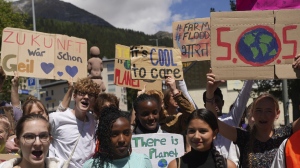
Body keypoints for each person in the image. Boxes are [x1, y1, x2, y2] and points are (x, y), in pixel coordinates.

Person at [205, 68, 300, 168]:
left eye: (268, 111)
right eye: (258, 110)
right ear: (252, 113)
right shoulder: (244, 137)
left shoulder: (284, 134)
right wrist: (210, 92)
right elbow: (213, 122)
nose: (263, 115)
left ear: (277, 114)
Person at [49, 77, 101, 168]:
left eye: (90, 95)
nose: (86, 97)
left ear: (94, 100)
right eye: (82, 93)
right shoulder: (56, 118)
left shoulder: (94, 121)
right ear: (74, 96)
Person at [83, 106, 152, 168]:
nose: (122, 140)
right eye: (114, 134)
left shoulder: (142, 162)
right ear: (104, 137)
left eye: (126, 133)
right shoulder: (92, 165)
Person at [203, 79, 253, 159]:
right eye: (211, 102)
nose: (215, 105)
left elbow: (243, 96)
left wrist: (251, 75)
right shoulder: (202, 121)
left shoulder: (232, 118)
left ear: (222, 102)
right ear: (206, 105)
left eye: (217, 101)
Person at [168, 109, 235, 168]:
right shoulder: (175, 165)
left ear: (214, 134)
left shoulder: (228, 166)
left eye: (203, 131)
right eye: (192, 131)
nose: (196, 136)